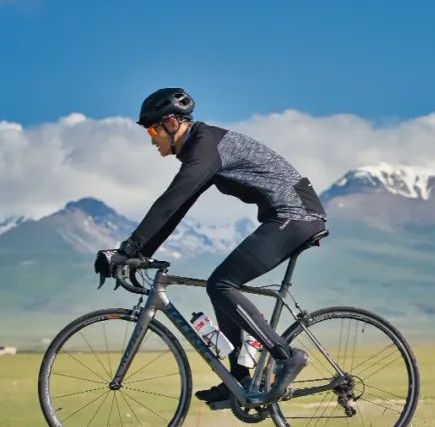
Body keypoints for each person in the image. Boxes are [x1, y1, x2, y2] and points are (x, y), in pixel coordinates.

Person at [102, 88, 327, 405]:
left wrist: (127, 249)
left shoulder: (205, 147)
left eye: (152, 130)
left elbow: (171, 201)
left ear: (170, 123)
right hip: (289, 215)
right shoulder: (202, 148)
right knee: (218, 285)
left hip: (296, 215)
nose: (152, 139)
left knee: (222, 283)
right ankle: (239, 377)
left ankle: (285, 355)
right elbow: (179, 208)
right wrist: (139, 254)